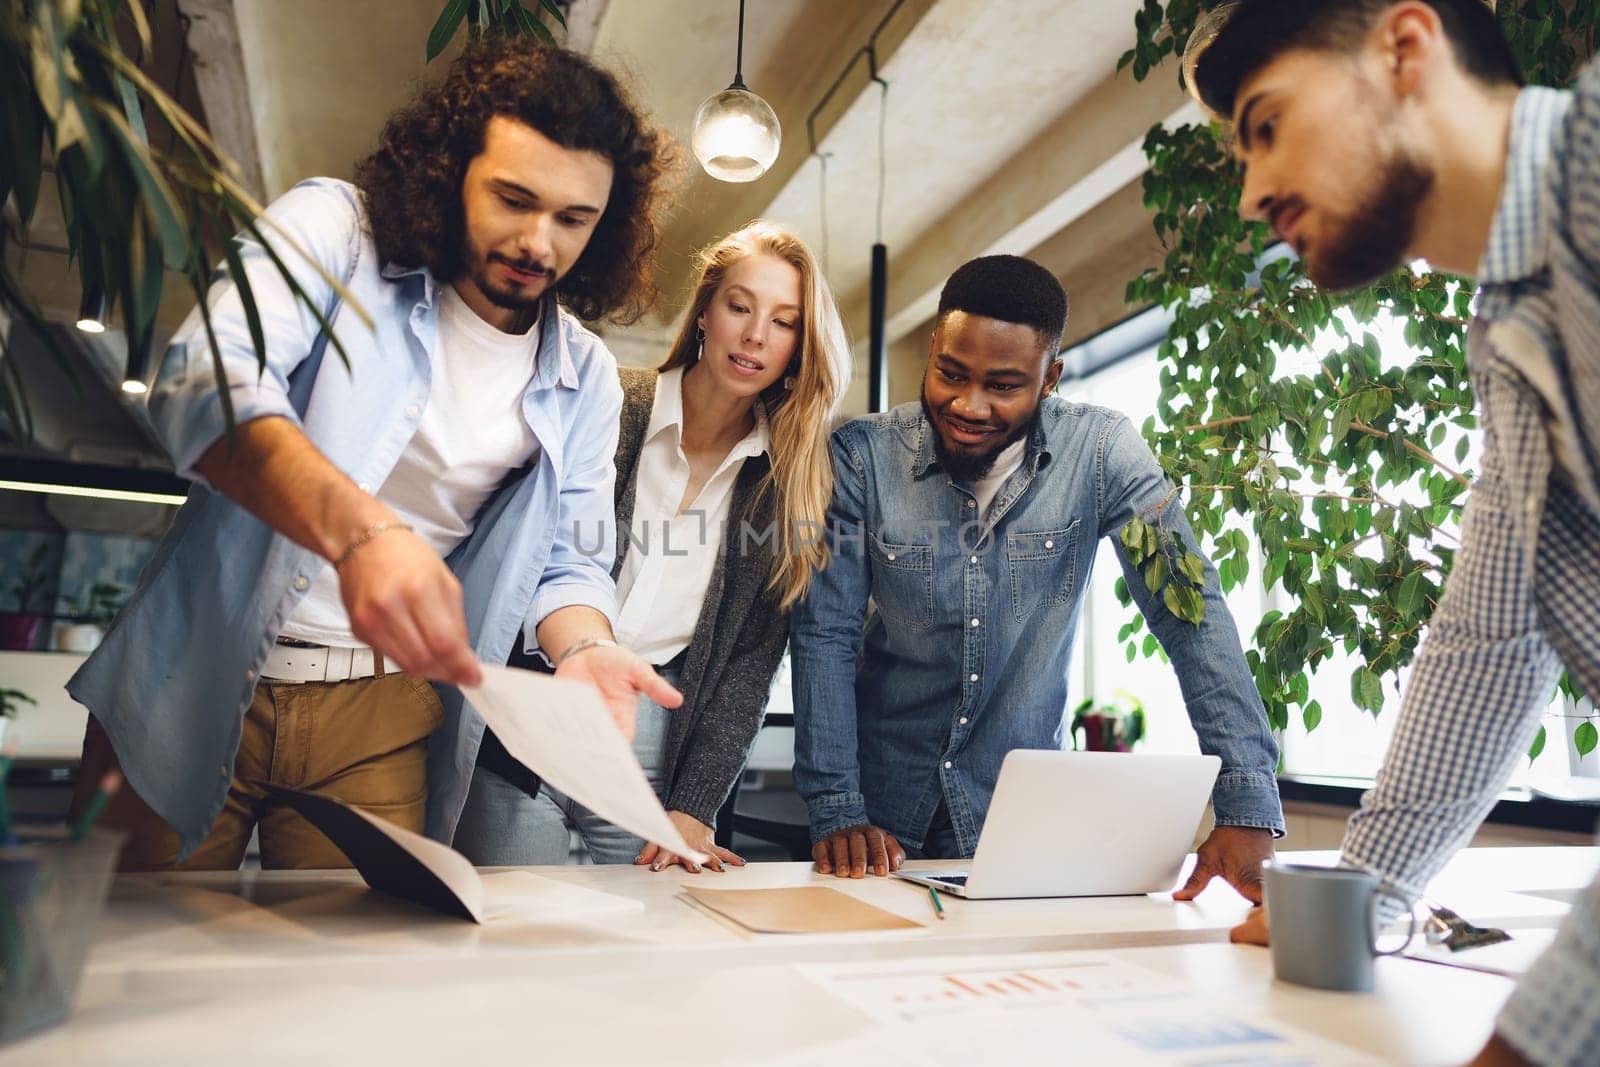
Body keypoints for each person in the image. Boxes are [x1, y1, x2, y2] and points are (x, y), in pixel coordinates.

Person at [65, 39, 680, 871]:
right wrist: (364, 533)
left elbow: (568, 562)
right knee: (134, 960)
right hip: (191, 671)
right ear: (453, 169)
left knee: (344, 981)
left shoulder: (586, 377)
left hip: (382, 714)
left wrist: (584, 644)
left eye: (574, 219)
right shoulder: (337, 232)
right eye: (513, 198)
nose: (540, 241)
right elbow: (203, 380)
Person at [1187, 2, 1600, 1064]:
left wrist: (1537, 1037)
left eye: (1267, 125)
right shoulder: (1508, 329)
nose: (1247, 194)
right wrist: (1361, 895)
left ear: (1405, 49)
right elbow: (1489, 644)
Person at [790, 254, 1284, 898]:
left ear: (1049, 378)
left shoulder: (1104, 455)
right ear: (933, 348)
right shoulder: (861, 458)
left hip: (1017, 818)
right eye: (950, 373)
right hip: (875, 817)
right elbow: (824, 633)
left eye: (1003, 386)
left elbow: (1190, 613)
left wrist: (1246, 802)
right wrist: (836, 804)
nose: (969, 404)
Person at [455, 222, 852, 871]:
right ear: (704, 310)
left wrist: (695, 804)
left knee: (649, 931)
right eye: (740, 306)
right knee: (515, 929)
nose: (755, 336)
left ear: (798, 348)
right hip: (536, 706)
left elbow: (749, 669)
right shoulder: (610, 404)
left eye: (784, 323)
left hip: (650, 729)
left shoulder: (789, 488)